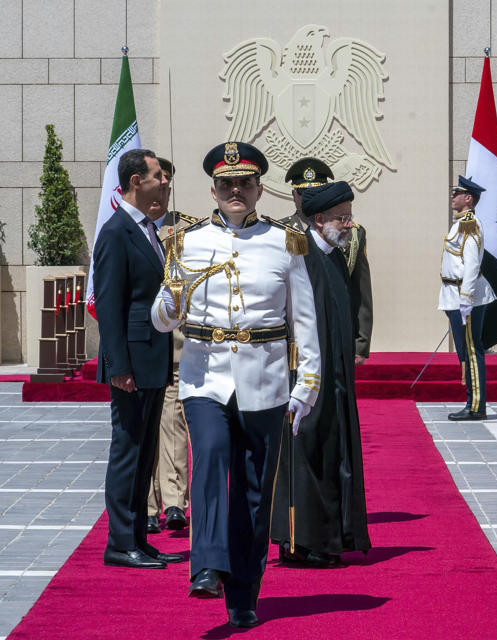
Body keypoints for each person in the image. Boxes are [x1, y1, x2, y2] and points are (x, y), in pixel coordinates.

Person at [151, 141, 321, 629]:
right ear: (213, 189)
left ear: (258, 189)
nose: (235, 191)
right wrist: (172, 299)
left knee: (253, 490)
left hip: (265, 381)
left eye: (244, 183)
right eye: (226, 184)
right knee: (210, 453)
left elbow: (304, 321)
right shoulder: (186, 241)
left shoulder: (285, 242)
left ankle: (244, 592)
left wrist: (306, 383)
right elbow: (163, 320)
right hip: (205, 377)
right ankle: (205, 564)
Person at [271, 180, 371, 567]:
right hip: (308, 378)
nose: (348, 225)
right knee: (306, 453)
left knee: (332, 453)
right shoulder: (303, 255)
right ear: (319, 219)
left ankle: (331, 536)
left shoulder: (331, 255)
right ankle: (300, 543)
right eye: (341, 219)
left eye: (349, 217)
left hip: (337, 377)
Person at [95, 148, 182, 569]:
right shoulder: (116, 233)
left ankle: (138, 540)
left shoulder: (149, 229)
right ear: (135, 182)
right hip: (131, 364)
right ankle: (120, 542)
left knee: (145, 453)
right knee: (128, 452)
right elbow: (109, 307)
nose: (164, 182)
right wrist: (119, 367)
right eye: (157, 176)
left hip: (151, 359)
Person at [146, 157, 196, 534]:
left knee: (174, 422)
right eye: (156, 178)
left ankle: (176, 501)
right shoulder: (129, 230)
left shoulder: (188, 230)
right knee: (143, 426)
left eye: (167, 179)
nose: (163, 184)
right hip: (145, 346)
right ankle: (147, 504)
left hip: (177, 346)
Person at [283, 157, 373, 364]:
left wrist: (360, 343)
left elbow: (360, 289)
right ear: (293, 195)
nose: (308, 198)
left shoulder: (353, 233)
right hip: (294, 338)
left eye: (316, 192)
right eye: (303, 193)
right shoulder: (280, 232)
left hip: (337, 330)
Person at [441, 176, 496, 420]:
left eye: (457, 193)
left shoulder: (469, 224)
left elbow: (472, 264)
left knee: (472, 351)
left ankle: (476, 406)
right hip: (454, 294)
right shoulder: (460, 223)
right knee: (466, 351)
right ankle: (472, 402)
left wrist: (466, 299)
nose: (453, 196)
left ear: (468, 198)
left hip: (466, 297)